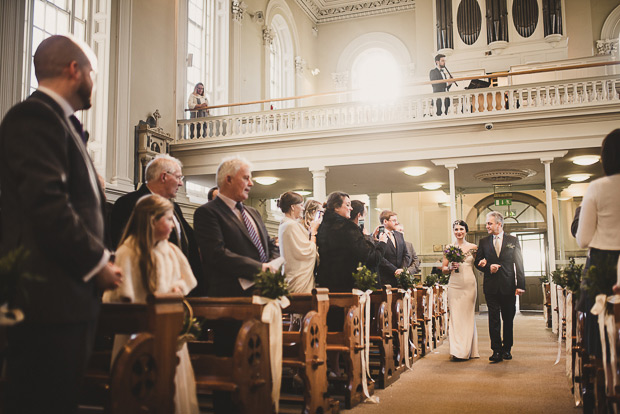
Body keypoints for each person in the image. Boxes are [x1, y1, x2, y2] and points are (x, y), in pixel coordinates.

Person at [0, 34, 123, 414]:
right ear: (76, 70)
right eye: (94, 74)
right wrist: (97, 263)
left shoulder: (62, 123)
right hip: (45, 300)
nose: (94, 84)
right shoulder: (35, 116)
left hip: (66, 297)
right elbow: (48, 204)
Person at [103, 195, 199, 414]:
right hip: (137, 339)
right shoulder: (129, 251)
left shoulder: (171, 250)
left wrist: (177, 289)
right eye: (167, 219)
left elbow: (188, 280)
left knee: (174, 391)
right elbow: (117, 298)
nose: (173, 225)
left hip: (168, 333)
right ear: (150, 221)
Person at [110, 154, 204, 295]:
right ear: (164, 177)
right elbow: (120, 243)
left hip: (178, 290)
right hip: (145, 291)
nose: (181, 183)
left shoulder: (175, 208)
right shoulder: (130, 203)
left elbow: (190, 241)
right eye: (178, 177)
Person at [193, 156, 280, 297]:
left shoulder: (253, 212)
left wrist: (271, 267)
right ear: (229, 179)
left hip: (264, 291)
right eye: (246, 178)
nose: (251, 183)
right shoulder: (207, 212)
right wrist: (260, 269)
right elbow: (216, 254)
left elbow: (270, 245)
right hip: (232, 296)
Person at [576, 129, 620, 359]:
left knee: (598, 325)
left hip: (604, 263)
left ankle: (600, 377)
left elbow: (582, 240)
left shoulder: (598, 188)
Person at [475, 211, 525, 363]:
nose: (487, 226)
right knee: (494, 319)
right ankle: (496, 350)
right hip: (491, 286)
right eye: (487, 223)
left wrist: (520, 285)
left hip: (508, 285)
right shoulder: (483, 241)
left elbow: (519, 263)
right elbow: (478, 262)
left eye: (489, 223)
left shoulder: (513, 240)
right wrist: (488, 267)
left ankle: (507, 349)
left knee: (508, 318)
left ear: (499, 224)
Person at [316, 191, 388, 292]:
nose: (351, 208)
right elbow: (371, 258)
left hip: (327, 284)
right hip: (347, 286)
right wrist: (382, 243)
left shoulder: (322, 227)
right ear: (336, 207)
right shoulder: (347, 228)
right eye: (348, 205)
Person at [442, 220, 480, 360]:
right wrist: (449, 268)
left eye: (461, 229)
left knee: (468, 315)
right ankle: (457, 351)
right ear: (453, 231)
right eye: (456, 229)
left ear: (466, 231)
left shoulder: (474, 247)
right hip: (454, 284)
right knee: (456, 316)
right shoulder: (449, 247)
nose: (459, 232)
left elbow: (480, 265)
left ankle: (469, 349)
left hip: (469, 284)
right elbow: (444, 268)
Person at [277, 191, 319, 293]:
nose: (303, 208)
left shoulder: (285, 224)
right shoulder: (291, 225)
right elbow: (307, 252)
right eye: (301, 205)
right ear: (292, 207)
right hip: (299, 278)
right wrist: (313, 232)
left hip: (291, 275)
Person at [377, 210, 410, 288]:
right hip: (385, 278)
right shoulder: (378, 236)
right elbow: (380, 257)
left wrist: (402, 269)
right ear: (385, 221)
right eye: (394, 220)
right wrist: (394, 270)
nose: (396, 223)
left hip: (400, 278)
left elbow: (406, 254)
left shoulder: (399, 235)